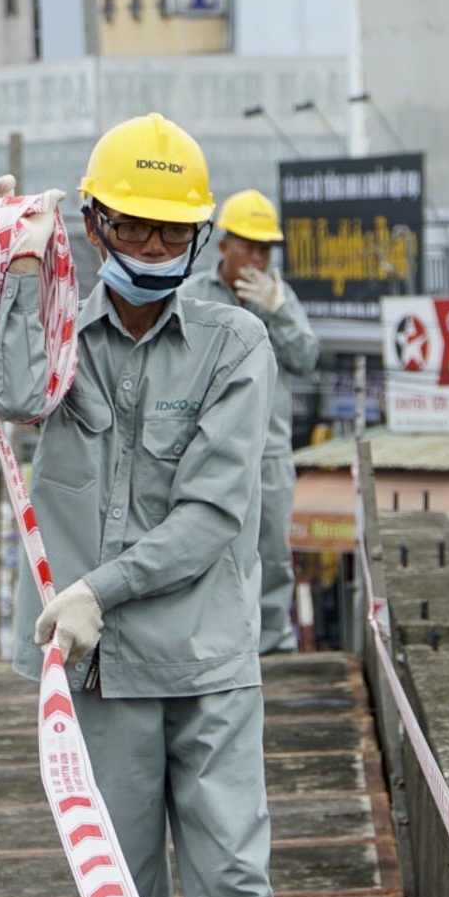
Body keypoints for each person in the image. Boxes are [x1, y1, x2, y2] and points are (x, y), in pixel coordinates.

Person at [0, 112, 332, 897]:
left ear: (197, 237)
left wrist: (95, 584)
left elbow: (215, 512)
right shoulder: (65, 333)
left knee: (233, 877)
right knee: (122, 886)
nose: (147, 251)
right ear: (94, 225)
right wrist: (14, 265)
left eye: (166, 234)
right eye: (126, 231)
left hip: (209, 661)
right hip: (100, 668)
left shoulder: (238, 343)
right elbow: (8, 392)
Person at [180, 189, 318, 655]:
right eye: (249, 246)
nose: (258, 257)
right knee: (205, 546)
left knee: (273, 552)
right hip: (205, 446)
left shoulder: (280, 297)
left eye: (266, 248)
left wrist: (278, 313)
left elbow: (307, 359)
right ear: (224, 244)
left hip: (268, 450)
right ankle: (215, 643)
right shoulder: (193, 294)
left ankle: (274, 644)